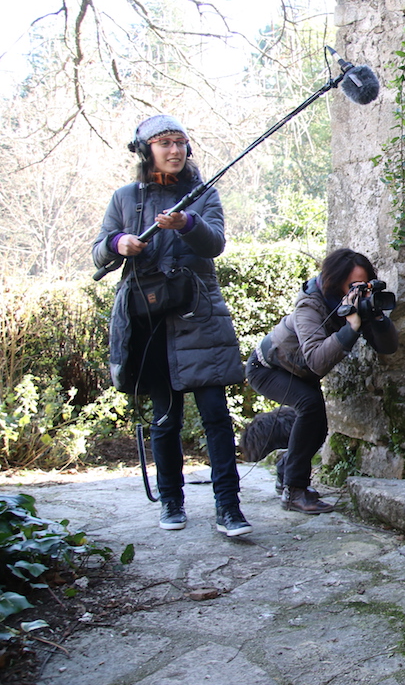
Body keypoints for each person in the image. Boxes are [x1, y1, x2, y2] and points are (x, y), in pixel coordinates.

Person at [92, 115, 252, 537]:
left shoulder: (202, 195)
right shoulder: (125, 198)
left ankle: (229, 508)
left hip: (200, 319)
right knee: (164, 418)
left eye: (181, 143)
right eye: (165, 144)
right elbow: (99, 250)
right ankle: (171, 501)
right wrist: (118, 244)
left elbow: (214, 243)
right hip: (150, 322)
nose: (175, 151)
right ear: (147, 151)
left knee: (216, 415)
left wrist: (187, 224)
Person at [246, 249, 399, 514]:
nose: (358, 291)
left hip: (300, 370)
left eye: (363, 285)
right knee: (310, 407)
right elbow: (317, 360)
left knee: (318, 429)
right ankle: (294, 491)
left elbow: (388, 347)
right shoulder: (310, 305)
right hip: (267, 367)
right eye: (353, 286)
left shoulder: (356, 302)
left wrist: (375, 317)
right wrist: (351, 327)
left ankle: (286, 472)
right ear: (334, 281)